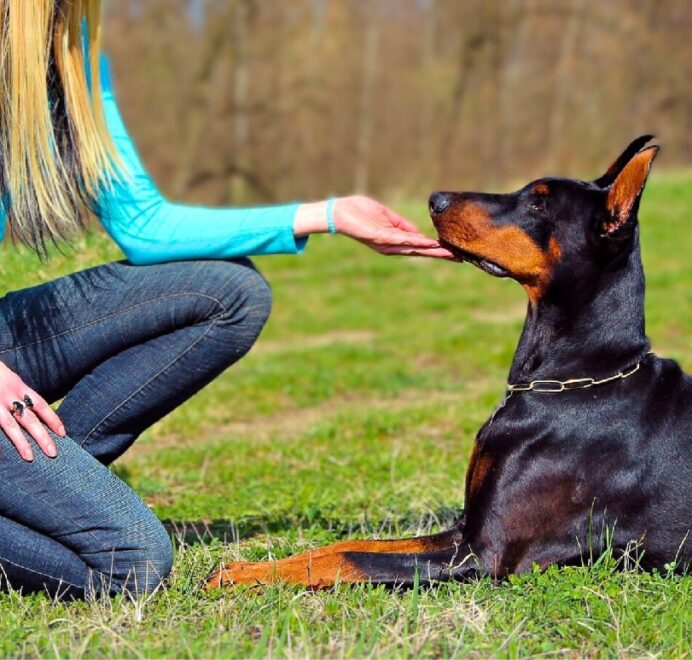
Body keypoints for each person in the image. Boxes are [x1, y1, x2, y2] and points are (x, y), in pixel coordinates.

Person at [0, 0, 453, 599]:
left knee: (228, 293)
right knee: (130, 563)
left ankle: (43, 487)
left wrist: (329, 215)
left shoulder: (68, 54)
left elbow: (143, 225)